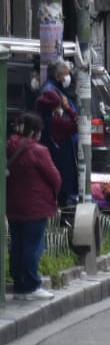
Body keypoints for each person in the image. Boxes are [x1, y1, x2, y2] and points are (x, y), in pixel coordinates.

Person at [7, 113, 60, 301]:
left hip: (13, 206)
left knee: (17, 245)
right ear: (35, 131)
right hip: (35, 207)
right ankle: (31, 285)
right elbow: (55, 178)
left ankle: (19, 286)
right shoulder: (38, 151)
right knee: (32, 246)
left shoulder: (8, 146)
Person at [35, 60, 80, 205]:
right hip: (62, 147)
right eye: (66, 74)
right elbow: (77, 124)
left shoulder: (57, 89)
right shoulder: (51, 92)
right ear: (58, 75)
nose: (68, 77)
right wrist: (69, 110)